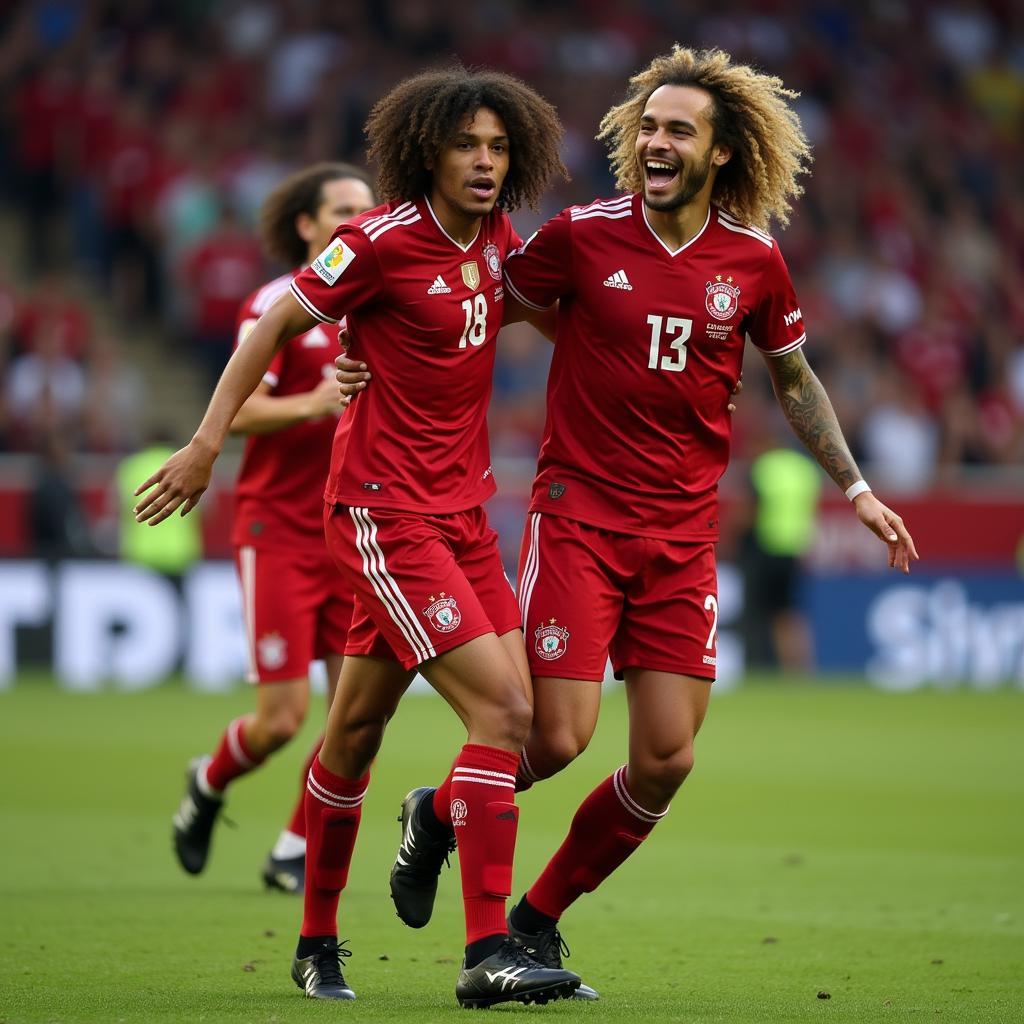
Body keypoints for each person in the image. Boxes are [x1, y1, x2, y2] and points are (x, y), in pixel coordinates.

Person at [379, 45, 918, 995]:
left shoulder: (753, 260)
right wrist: (367, 363)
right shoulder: (581, 236)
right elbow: (465, 310)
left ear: (718, 155)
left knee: (666, 759)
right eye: (649, 127)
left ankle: (531, 918)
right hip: (580, 517)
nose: (657, 141)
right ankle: (445, 822)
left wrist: (858, 487)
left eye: (680, 130)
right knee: (555, 740)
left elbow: (793, 379)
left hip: (682, 538)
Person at [134, 67, 582, 1009]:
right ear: (427, 152)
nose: (486, 162)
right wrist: (206, 443)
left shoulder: (497, 238)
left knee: (354, 734)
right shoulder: (374, 245)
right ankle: (487, 949)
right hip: (383, 517)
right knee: (502, 717)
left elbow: (554, 313)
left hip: (460, 518)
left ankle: (319, 938)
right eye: (468, 145)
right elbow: (269, 328)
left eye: (500, 147)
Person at [168, 163, 376, 895]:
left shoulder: (379, 298)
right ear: (307, 227)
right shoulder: (276, 304)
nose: (357, 220)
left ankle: (293, 846)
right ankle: (209, 777)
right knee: (283, 720)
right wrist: (313, 403)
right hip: (280, 531)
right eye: (341, 210)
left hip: (358, 536)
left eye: (366, 208)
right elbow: (237, 410)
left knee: (359, 712)